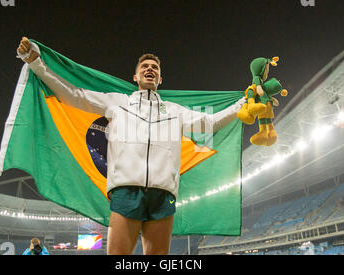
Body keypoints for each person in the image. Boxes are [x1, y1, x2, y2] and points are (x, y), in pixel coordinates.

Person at [17, 37, 245, 255]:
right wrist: (36, 64)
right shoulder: (118, 103)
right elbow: (74, 95)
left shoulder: (175, 111)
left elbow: (210, 123)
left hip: (162, 193)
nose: (150, 69)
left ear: (160, 79)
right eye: (145, 66)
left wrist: (245, 103)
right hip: (126, 191)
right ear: (135, 76)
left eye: (155, 67)